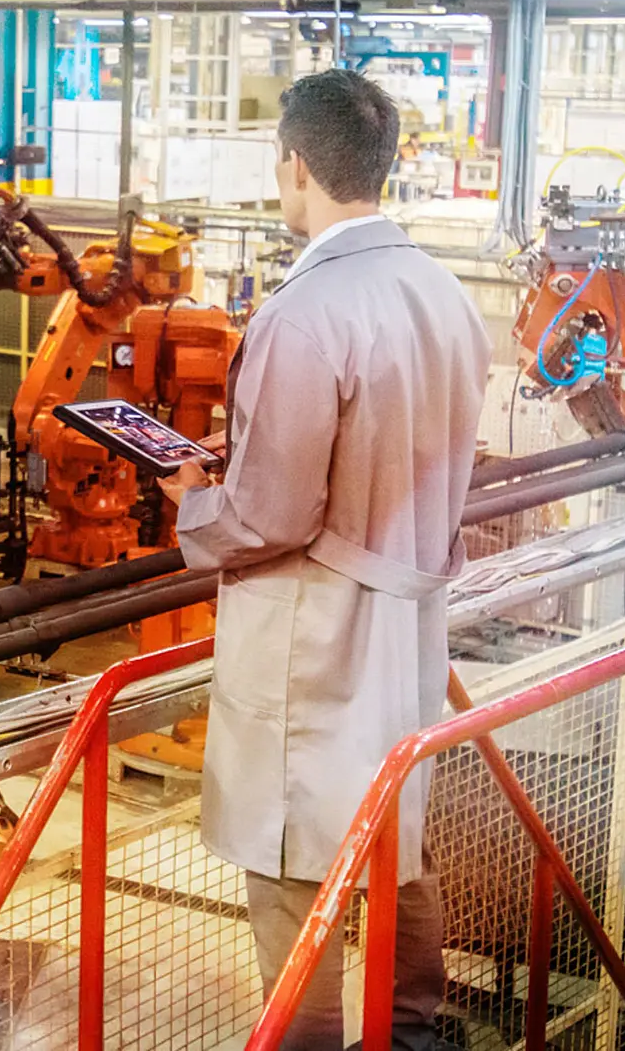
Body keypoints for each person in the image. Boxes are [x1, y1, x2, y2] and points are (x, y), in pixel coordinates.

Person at [162, 69, 489, 1050]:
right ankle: (417, 1032)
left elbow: (271, 512)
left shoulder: (305, 314)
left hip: (319, 636)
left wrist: (194, 509)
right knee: (397, 842)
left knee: (295, 873)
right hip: (410, 622)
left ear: (294, 165)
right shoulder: (442, 294)